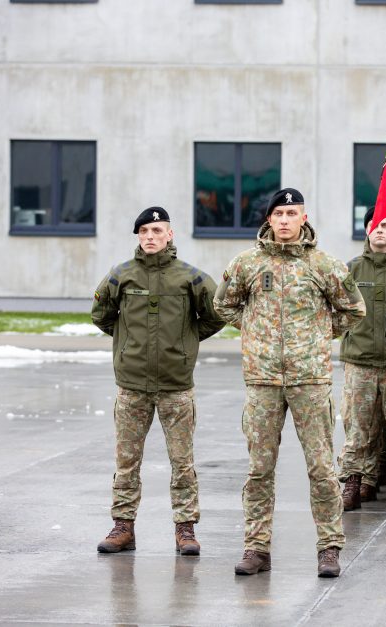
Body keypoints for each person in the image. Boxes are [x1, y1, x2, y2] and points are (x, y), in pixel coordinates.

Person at [213, 188, 366, 577]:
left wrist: (317, 334)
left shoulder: (324, 264)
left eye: (291, 213)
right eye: (278, 213)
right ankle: (256, 547)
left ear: (304, 217)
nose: (284, 220)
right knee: (259, 468)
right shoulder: (248, 263)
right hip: (263, 379)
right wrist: (254, 332)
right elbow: (223, 304)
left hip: (309, 379)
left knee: (320, 469)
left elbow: (353, 309)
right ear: (269, 219)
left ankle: (329, 547)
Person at [92, 206, 224, 556]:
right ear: (138, 236)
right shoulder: (121, 276)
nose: (150, 237)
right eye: (144, 231)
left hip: (175, 386)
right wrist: (127, 346)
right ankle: (123, 527)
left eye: (157, 230)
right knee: (126, 461)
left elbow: (217, 314)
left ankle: (186, 530)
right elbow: (102, 315)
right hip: (132, 385)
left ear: (170, 234)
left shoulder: (190, 278)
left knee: (182, 462)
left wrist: (186, 343)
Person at [338, 208, 386, 511]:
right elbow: (336, 308)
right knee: (357, 426)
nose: (380, 230)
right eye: (375, 225)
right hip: (360, 361)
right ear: (366, 229)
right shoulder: (352, 269)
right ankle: (353, 481)